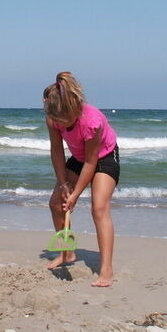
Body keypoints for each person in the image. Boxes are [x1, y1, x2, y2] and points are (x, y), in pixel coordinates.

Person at [43, 71, 120, 287]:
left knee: (99, 208)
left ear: (74, 109)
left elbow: (91, 161)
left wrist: (76, 194)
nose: (61, 124)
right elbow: (57, 150)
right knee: (56, 203)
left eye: (64, 120)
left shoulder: (91, 121)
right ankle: (67, 253)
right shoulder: (53, 117)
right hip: (78, 156)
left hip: (103, 157)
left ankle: (106, 269)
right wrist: (64, 184)